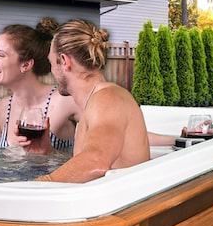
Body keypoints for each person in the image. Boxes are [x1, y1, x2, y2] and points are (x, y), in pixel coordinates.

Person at [35, 19, 149, 182]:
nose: (51, 71)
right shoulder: (96, 103)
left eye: (51, 63)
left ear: (64, 61)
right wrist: (46, 151)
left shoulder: (108, 98)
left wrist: (40, 185)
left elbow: (96, 161)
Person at [0, 18, 77, 151]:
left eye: (0, 55)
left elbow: (88, 154)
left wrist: (47, 153)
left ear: (25, 65)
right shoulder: (1, 109)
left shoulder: (66, 102)